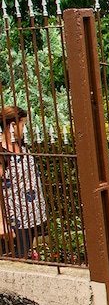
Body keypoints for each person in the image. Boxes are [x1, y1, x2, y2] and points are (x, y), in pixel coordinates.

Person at [0, 106, 48, 259]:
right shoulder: (2, 152)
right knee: (16, 261)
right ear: (13, 125)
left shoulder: (21, 146)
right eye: (23, 124)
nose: (24, 129)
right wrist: (1, 223)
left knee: (25, 257)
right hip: (13, 223)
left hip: (30, 218)